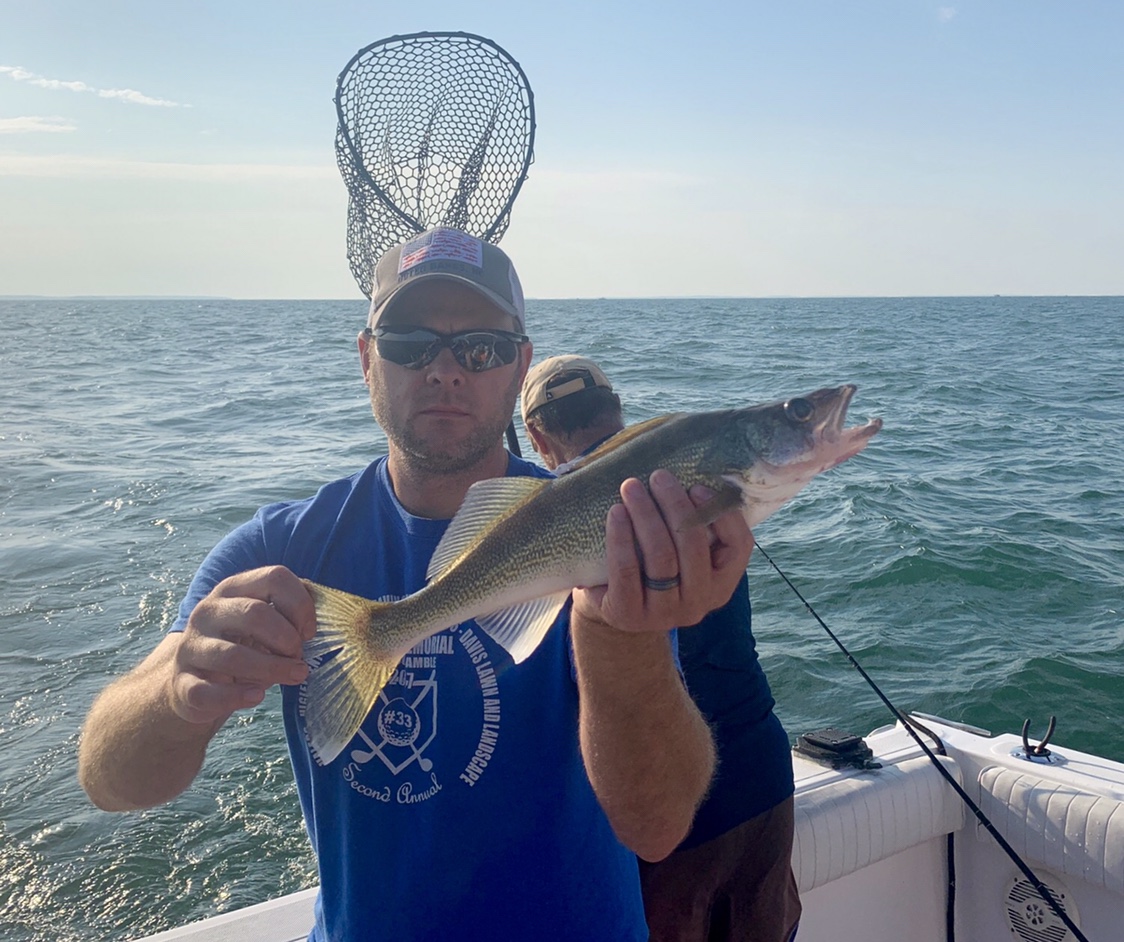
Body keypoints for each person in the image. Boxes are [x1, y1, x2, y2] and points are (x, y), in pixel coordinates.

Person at [77, 227, 754, 941]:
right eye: (408, 342)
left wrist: (618, 634)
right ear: (367, 358)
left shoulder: (600, 534)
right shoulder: (281, 548)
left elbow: (656, 827)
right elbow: (108, 780)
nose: (445, 370)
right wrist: (179, 690)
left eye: (481, 347)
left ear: (520, 365)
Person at [522, 354, 802, 942]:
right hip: (763, 774)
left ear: (537, 439)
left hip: (670, 803)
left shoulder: (564, 523)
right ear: (618, 410)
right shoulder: (693, 489)